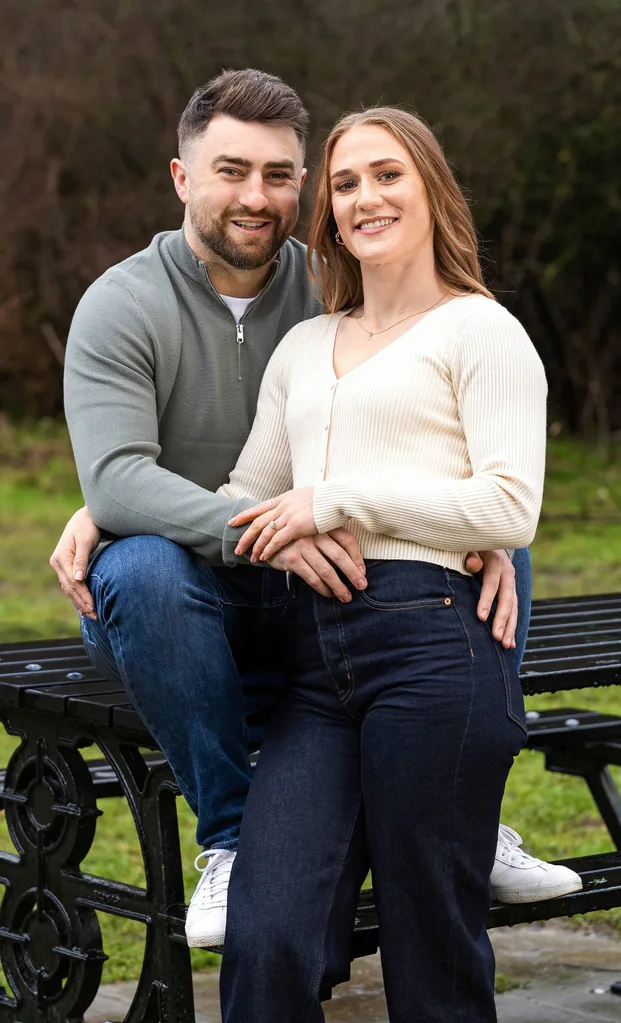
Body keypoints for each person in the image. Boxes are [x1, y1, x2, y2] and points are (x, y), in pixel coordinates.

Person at [53, 70, 581, 951]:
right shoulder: (121, 305)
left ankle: (465, 810)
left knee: (501, 550)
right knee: (139, 563)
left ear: (303, 186)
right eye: (231, 170)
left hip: (330, 584)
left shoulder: (333, 286)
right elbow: (119, 480)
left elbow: (401, 423)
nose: (256, 196)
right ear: (183, 178)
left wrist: (472, 526)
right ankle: (229, 836)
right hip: (188, 602)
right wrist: (141, 513)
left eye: (280, 174)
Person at [217, 105, 576, 1023]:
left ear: (430, 190)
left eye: (387, 175)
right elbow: (242, 493)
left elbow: (509, 505)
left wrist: (334, 500)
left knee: (433, 944)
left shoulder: (479, 331)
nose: (364, 197)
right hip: (314, 671)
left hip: (436, 650)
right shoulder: (304, 345)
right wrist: (114, 500)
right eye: (343, 184)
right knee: (267, 936)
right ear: (328, 213)